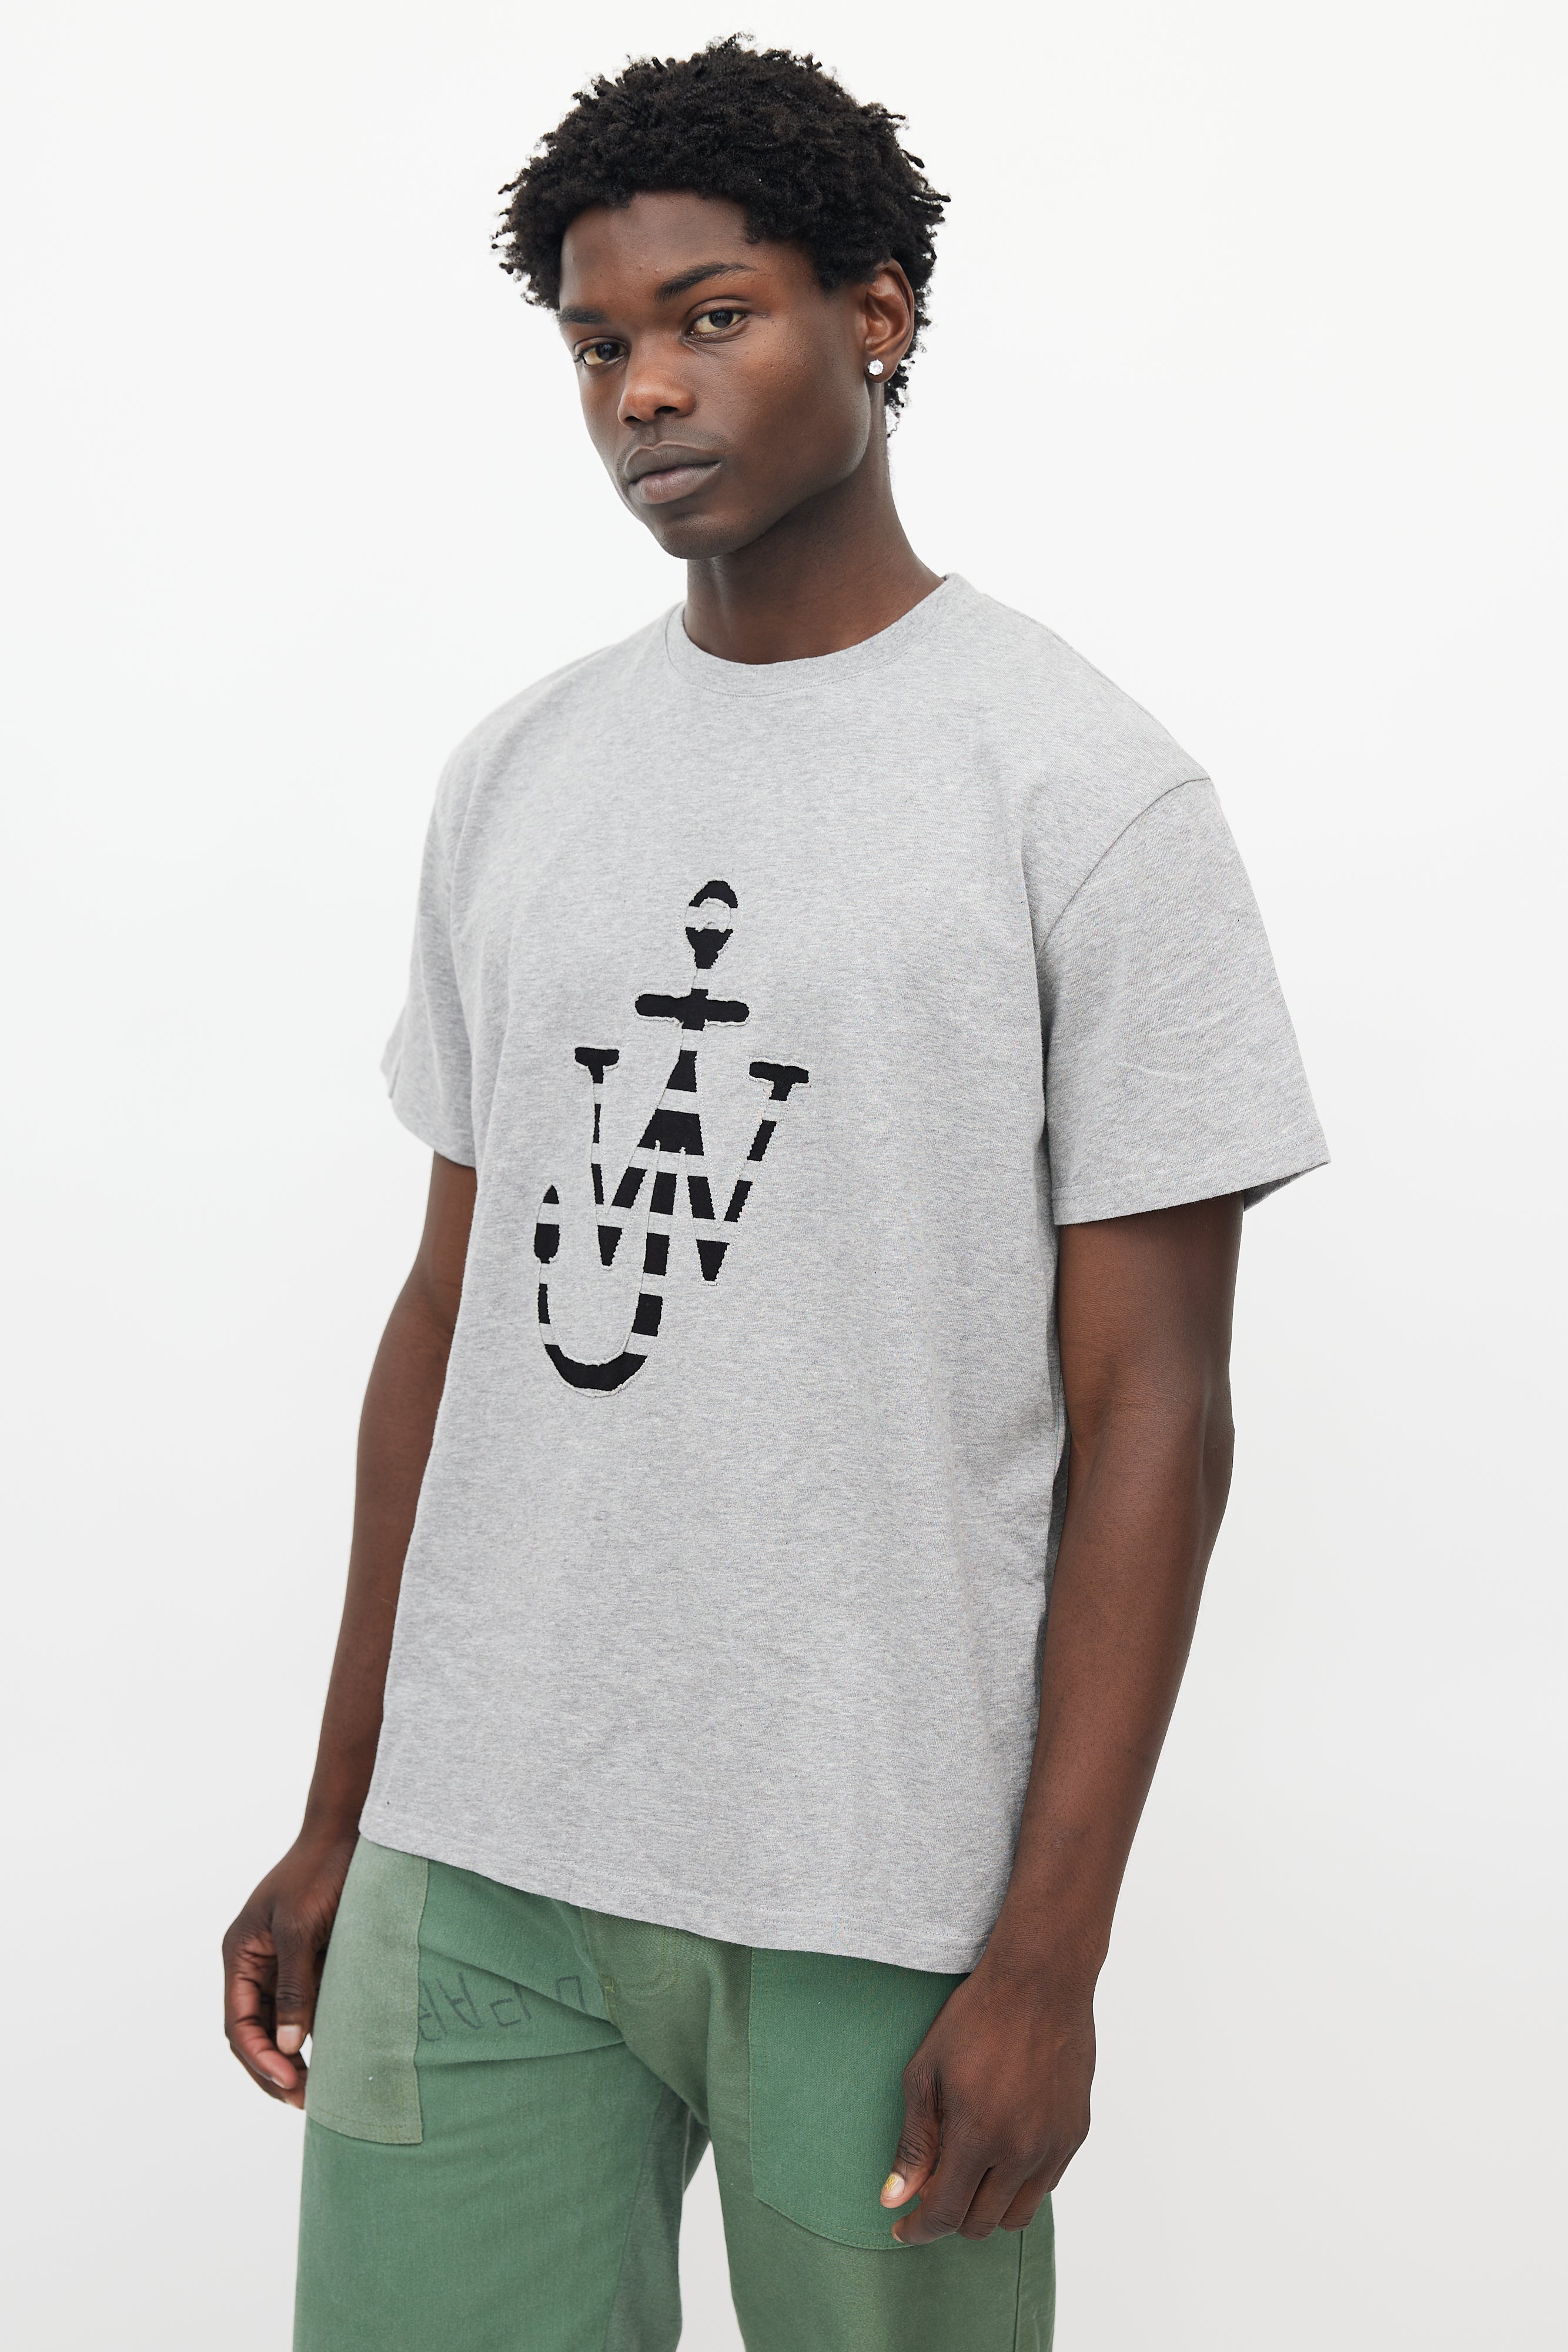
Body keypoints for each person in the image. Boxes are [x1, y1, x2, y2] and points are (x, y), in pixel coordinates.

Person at [223, 38, 1327, 2352]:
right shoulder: (519, 775)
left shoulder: (1078, 796)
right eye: (596, 343)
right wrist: (345, 1812)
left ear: (876, 314)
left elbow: (1154, 1410)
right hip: (480, 1851)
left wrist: (1048, 1957)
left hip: (872, 1873)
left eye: (711, 316)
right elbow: (450, 1309)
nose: (643, 388)